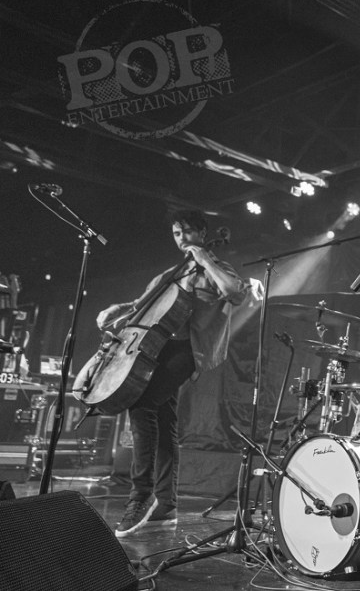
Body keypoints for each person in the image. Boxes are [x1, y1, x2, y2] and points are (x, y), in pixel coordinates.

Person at [95, 211, 247, 538]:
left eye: (187, 232)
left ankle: (141, 495)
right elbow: (141, 303)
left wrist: (204, 258)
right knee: (164, 422)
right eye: (177, 233)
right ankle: (166, 505)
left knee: (143, 404)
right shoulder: (170, 274)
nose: (181, 238)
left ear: (202, 233)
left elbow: (235, 292)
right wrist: (119, 309)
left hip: (189, 349)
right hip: (157, 348)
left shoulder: (216, 267)